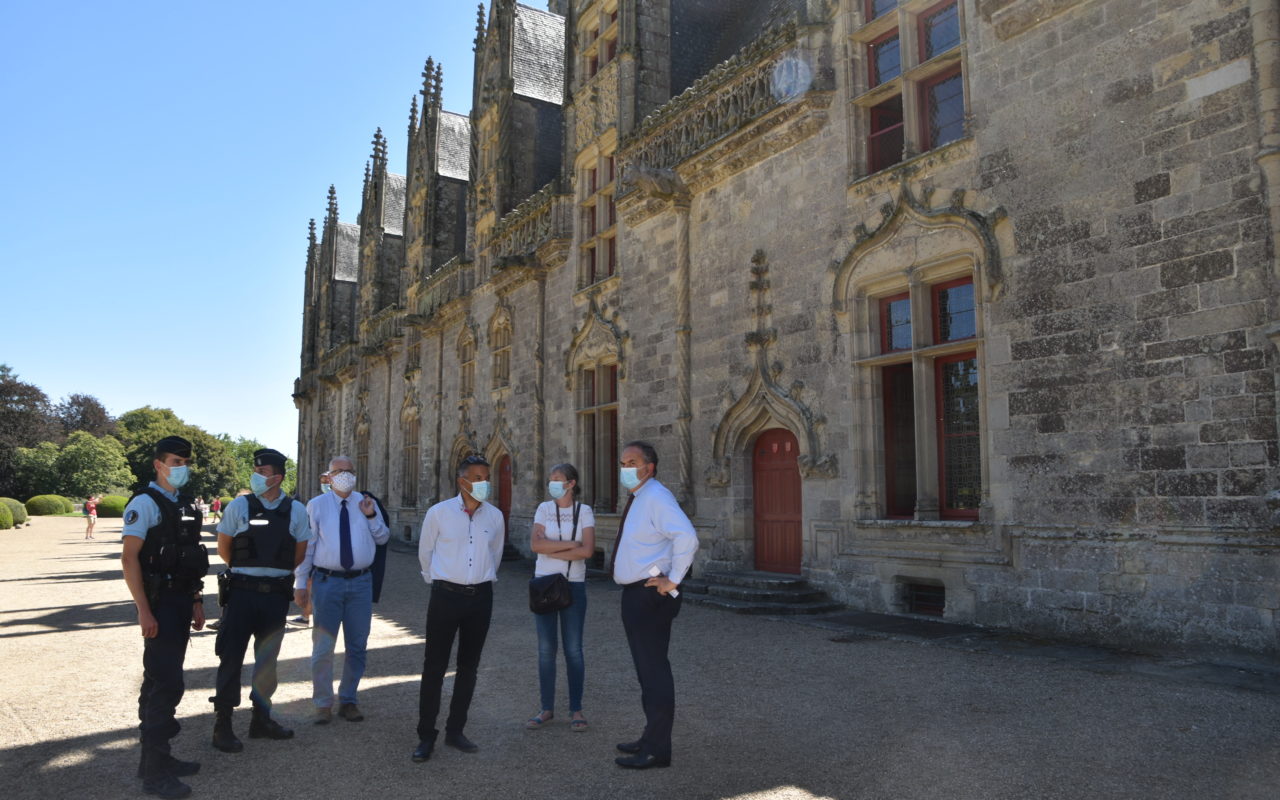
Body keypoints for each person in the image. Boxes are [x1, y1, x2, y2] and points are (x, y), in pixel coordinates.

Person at [121, 435, 209, 799]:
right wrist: (143, 610)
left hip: (180, 600)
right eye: (175, 462)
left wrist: (196, 600)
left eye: (185, 462)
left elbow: (189, 557)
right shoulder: (145, 503)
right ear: (158, 464)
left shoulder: (184, 504)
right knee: (166, 685)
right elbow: (129, 559)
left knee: (158, 680)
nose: (181, 468)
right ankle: (155, 775)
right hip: (159, 603)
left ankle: (155, 760)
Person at [209, 448, 310, 753]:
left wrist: (272, 573)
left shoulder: (296, 510)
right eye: (255, 471)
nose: (256, 476)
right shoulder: (239, 506)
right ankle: (223, 724)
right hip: (241, 594)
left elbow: (299, 554)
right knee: (231, 658)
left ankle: (261, 720)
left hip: (275, 596)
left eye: (262, 472)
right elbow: (224, 549)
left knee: (268, 662)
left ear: (277, 477)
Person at [412, 454, 505, 763]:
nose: (483, 483)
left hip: (480, 598)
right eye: (477, 478)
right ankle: (426, 735)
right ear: (461, 481)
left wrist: (477, 579)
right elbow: (425, 552)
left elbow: (495, 554)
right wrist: (439, 581)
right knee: (434, 667)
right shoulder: (439, 513)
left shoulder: (495, 516)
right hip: (445, 597)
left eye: (486, 478)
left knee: (468, 667)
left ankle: (455, 730)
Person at [611, 440, 698, 769]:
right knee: (646, 671)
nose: (625, 469)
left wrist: (672, 580)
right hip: (636, 595)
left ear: (649, 468)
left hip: (649, 595)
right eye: (622, 463)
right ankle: (650, 737)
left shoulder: (657, 496)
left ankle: (657, 750)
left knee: (654, 671)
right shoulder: (641, 497)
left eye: (632, 463)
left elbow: (687, 537)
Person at [295, 455, 389, 724]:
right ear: (329, 476)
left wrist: (371, 515)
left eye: (349, 470)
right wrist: (300, 583)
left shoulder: (366, 502)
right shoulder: (317, 505)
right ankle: (323, 703)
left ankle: (348, 699)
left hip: (361, 582)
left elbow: (383, 537)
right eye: (339, 471)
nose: (345, 475)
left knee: (357, 645)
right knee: (323, 647)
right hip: (327, 582)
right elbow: (308, 547)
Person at [526, 462, 595, 732]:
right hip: (544, 585)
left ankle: (576, 709)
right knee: (546, 650)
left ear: (571, 483)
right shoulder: (544, 509)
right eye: (550, 479)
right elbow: (535, 545)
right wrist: (571, 545)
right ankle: (546, 708)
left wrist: (551, 548)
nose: (552, 483)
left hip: (573, 585)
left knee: (574, 650)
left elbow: (588, 551)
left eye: (557, 479)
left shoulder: (584, 511)